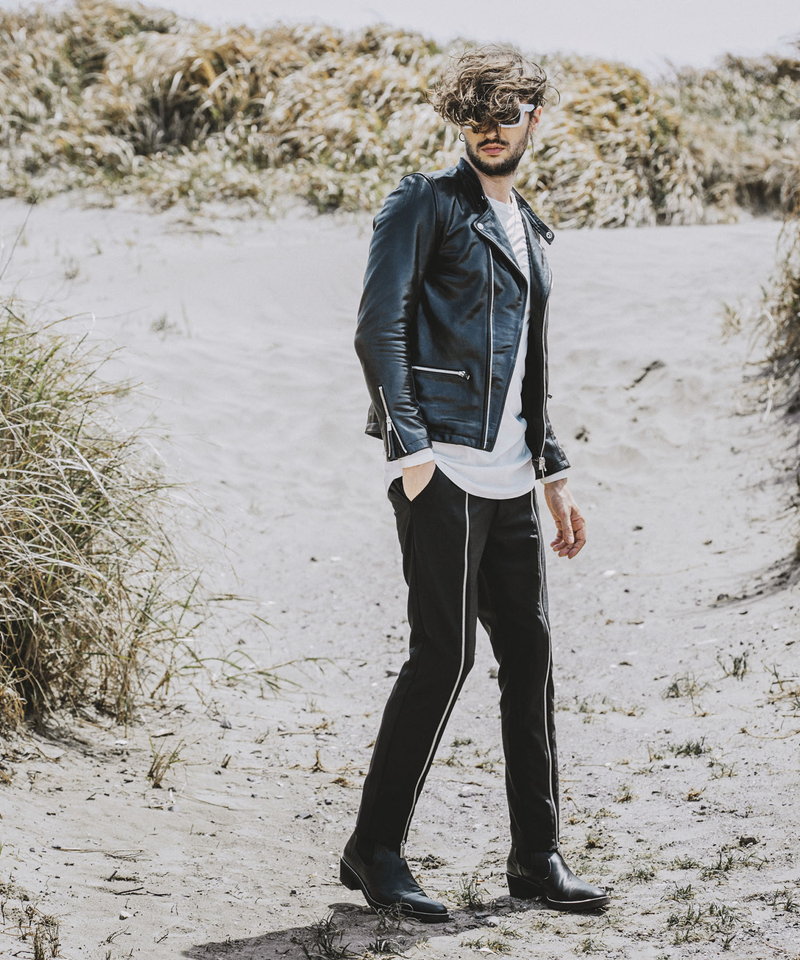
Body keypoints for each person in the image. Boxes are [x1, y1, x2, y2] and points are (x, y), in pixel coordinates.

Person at [341, 44, 610, 921]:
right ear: (460, 122)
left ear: (535, 120)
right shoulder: (425, 201)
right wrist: (411, 453)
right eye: (476, 116)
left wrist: (553, 469)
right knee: (444, 654)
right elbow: (378, 330)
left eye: (507, 115)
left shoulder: (530, 227)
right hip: (444, 470)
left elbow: (528, 365)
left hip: (511, 475)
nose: (491, 131)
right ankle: (375, 849)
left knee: (529, 655)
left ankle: (537, 857)